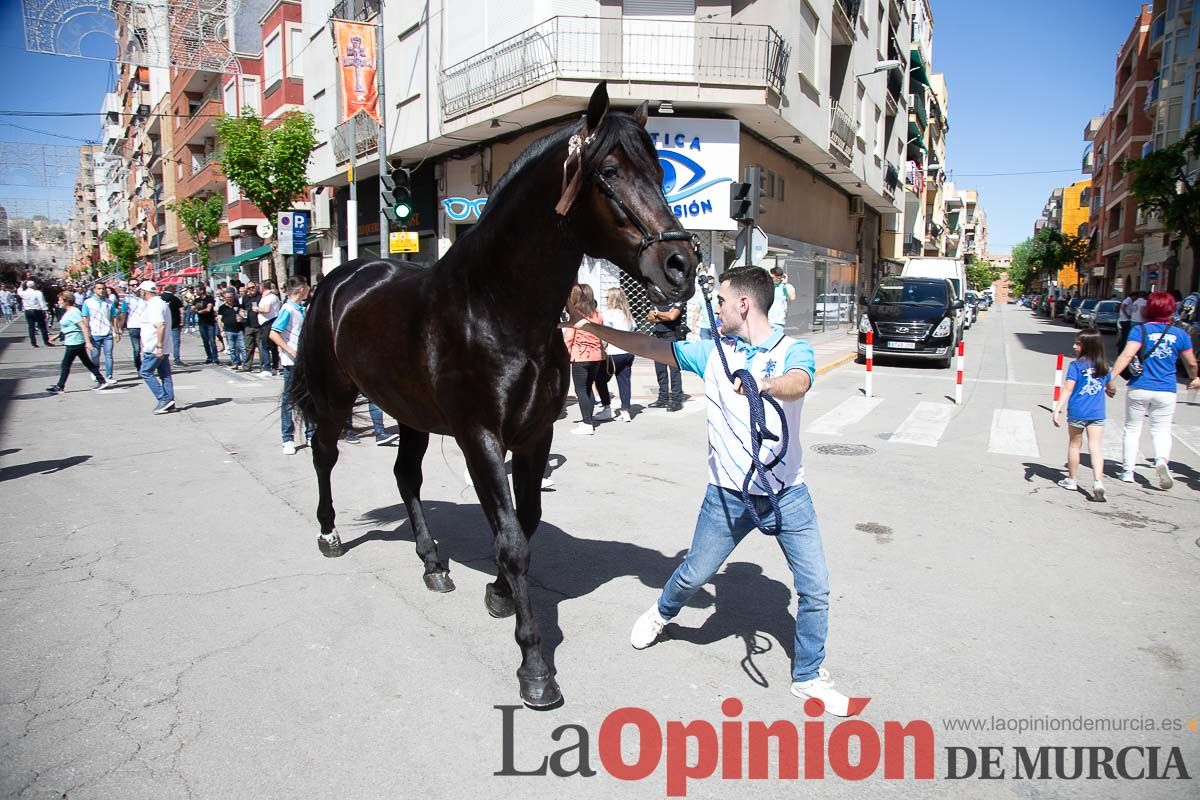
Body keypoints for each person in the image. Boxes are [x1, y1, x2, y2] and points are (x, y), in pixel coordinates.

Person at [563, 266, 849, 716]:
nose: (714, 306)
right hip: (728, 495)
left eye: (720, 300)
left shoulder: (793, 350)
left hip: (788, 493)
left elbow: (799, 382)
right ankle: (661, 613)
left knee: (816, 589)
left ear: (743, 304)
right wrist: (592, 327)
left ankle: (808, 676)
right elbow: (648, 345)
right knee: (694, 573)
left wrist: (764, 385)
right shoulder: (710, 352)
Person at [1112, 291, 1200, 489]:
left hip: (1140, 386)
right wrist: (1195, 378)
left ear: (1148, 309)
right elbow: (1191, 362)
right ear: (1172, 309)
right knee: (1161, 430)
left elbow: (1127, 356)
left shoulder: (1140, 331)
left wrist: (1111, 378)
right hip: (1166, 389)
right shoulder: (1180, 334)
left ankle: (1127, 471)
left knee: (1132, 429)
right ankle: (1161, 460)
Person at [1051, 330, 1115, 501]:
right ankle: (1098, 482)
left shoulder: (1076, 366)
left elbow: (1068, 388)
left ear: (1088, 345)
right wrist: (1110, 390)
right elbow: (1110, 386)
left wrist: (1057, 409)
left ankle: (1072, 480)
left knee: (1074, 445)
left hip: (1078, 411)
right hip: (1097, 412)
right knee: (1095, 447)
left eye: (1078, 343)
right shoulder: (1104, 366)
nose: (1074, 346)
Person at [271, 276, 314, 454]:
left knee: (308, 397)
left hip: (304, 361)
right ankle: (287, 438)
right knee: (289, 400)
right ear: (301, 289)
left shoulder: (301, 308)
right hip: (292, 363)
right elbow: (274, 334)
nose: (309, 290)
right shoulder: (288, 309)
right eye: (307, 288)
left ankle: (311, 433)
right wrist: (291, 351)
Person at [561, 284, 609, 436]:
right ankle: (588, 419)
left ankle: (587, 423)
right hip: (596, 356)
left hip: (581, 356)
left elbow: (569, 338)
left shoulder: (576, 315)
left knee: (580, 390)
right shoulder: (597, 314)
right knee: (588, 387)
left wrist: (565, 356)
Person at [45, 292, 110, 394]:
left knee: (65, 364)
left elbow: (83, 326)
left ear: (67, 301)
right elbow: (69, 327)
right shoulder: (68, 311)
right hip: (72, 340)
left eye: (60, 300)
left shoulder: (74, 312)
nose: (59, 302)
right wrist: (57, 336)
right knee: (87, 362)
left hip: (75, 342)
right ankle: (102, 380)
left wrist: (87, 342)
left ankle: (60, 386)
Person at [131, 280, 177, 414]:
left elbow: (160, 325)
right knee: (165, 374)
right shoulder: (160, 303)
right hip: (160, 345)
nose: (140, 293)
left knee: (145, 371)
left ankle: (163, 399)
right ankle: (169, 401)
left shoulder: (154, 305)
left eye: (140, 291)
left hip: (154, 346)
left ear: (144, 292)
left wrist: (159, 346)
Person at [600, 287, 637, 422]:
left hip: (614, 353)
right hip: (628, 352)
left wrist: (602, 348)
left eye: (607, 297)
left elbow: (605, 334)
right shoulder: (627, 314)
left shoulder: (608, 314)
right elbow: (633, 330)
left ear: (612, 299)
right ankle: (625, 411)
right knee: (624, 381)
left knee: (600, 379)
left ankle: (606, 408)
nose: (605, 300)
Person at [647, 295, 687, 411]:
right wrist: (662, 315)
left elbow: (672, 316)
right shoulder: (657, 299)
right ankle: (662, 398)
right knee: (660, 370)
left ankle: (676, 400)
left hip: (672, 336)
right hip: (658, 337)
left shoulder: (679, 299)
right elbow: (649, 318)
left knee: (674, 370)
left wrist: (657, 314)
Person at [81, 281, 120, 383]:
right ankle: (96, 373)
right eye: (99, 289)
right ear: (94, 290)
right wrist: (87, 331)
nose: (101, 290)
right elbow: (85, 318)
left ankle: (109, 376)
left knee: (109, 355)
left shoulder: (109, 303)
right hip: (95, 333)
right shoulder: (88, 303)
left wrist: (117, 331)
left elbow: (114, 317)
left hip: (107, 332)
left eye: (103, 288)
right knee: (95, 356)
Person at [256, 280, 281, 375]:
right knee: (273, 346)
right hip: (271, 322)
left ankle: (267, 368)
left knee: (264, 346)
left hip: (268, 323)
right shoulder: (273, 297)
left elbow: (266, 310)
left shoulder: (269, 298)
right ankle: (275, 367)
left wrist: (257, 309)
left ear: (263, 287)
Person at [216, 288, 245, 368]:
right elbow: (219, 319)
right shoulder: (222, 308)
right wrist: (221, 330)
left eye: (230, 297)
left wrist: (241, 317)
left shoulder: (238, 306)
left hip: (239, 329)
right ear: (224, 298)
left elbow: (244, 314)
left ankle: (245, 363)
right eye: (227, 298)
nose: (229, 299)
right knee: (232, 348)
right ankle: (234, 362)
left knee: (243, 347)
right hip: (229, 330)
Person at [19, 280, 53, 347]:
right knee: (42, 327)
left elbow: (19, 291)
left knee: (31, 327)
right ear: (34, 285)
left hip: (27, 311)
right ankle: (46, 341)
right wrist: (46, 311)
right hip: (37, 311)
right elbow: (42, 302)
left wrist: (21, 284)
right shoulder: (37, 293)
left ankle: (33, 343)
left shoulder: (23, 293)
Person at [193, 286, 219, 364]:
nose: (196, 292)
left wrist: (200, 311)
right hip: (202, 323)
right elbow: (192, 309)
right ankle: (209, 357)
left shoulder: (209, 298)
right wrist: (196, 308)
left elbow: (208, 309)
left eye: (197, 290)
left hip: (210, 322)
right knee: (205, 341)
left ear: (202, 290)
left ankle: (215, 358)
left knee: (212, 341)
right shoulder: (196, 300)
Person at [161, 284, 186, 366]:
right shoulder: (175, 299)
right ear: (172, 289)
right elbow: (182, 311)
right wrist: (182, 321)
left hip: (162, 324)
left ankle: (163, 360)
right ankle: (177, 360)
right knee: (175, 342)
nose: (175, 290)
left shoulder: (160, 298)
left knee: (163, 341)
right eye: (175, 288)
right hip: (174, 323)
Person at [240, 281, 262, 372]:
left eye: (253, 287)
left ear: (256, 287)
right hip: (248, 325)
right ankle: (247, 366)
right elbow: (242, 308)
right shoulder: (245, 298)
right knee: (248, 347)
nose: (251, 289)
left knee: (261, 347)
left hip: (259, 325)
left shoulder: (260, 297)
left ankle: (263, 366)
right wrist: (241, 313)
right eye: (249, 288)